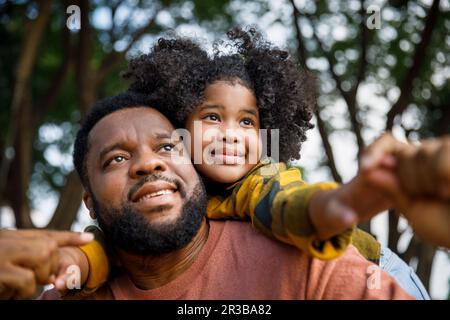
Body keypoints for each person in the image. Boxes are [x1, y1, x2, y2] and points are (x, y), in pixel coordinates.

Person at [69, 28, 429, 299]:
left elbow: (291, 206)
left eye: (247, 122)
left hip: (383, 270)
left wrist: (336, 206)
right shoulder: (167, 196)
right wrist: (77, 266)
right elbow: (105, 243)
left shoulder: (262, 182)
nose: (231, 135)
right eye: (212, 118)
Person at [42, 92, 413, 299]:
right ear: (88, 202)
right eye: (117, 158)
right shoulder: (67, 285)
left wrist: (347, 201)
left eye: (168, 148)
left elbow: (296, 207)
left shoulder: (296, 254)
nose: (148, 164)